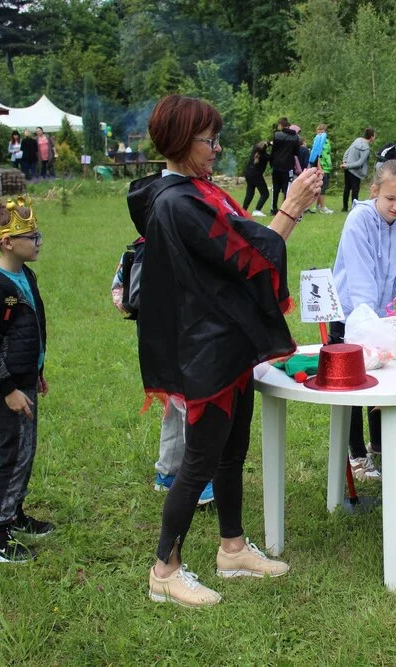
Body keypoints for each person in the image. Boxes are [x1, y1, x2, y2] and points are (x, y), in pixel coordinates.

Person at [129, 95, 321, 607]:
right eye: (207, 140)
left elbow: (240, 246)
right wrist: (292, 208)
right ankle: (164, 570)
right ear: (178, 142)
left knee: (232, 454)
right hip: (207, 347)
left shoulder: (199, 191)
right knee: (199, 462)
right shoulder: (178, 201)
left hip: (231, 340)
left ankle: (232, 549)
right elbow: (251, 255)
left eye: (216, 138)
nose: (216, 148)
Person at [0, 197, 53, 563]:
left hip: (24, 380)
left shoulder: (24, 276)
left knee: (25, 451)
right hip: (9, 387)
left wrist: (36, 372)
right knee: (13, 455)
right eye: (30, 236)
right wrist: (7, 389)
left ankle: (13, 513)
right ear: (6, 242)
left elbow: (26, 329)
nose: (38, 241)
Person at [330, 160, 396, 480]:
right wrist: (368, 326)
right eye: (390, 199)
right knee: (353, 386)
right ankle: (356, 453)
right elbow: (360, 279)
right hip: (350, 316)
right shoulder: (359, 220)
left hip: (386, 318)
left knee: (384, 379)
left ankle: (380, 443)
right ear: (375, 192)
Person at [110, 252, 215, 506]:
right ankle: (198, 481)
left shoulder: (142, 245)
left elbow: (120, 295)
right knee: (191, 405)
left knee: (175, 405)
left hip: (153, 338)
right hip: (183, 337)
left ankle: (167, 473)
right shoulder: (177, 239)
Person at [269, 117, 300, 215]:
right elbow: (296, 152)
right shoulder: (295, 137)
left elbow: (273, 151)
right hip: (288, 165)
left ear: (280, 125)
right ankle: (285, 208)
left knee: (276, 188)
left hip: (277, 164)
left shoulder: (277, 135)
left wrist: (271, 161)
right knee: (286, 188)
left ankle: (274, 208)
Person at [340, 127, 375, 212]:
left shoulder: (357, 140)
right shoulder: (366, 149)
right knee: (355, 190)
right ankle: (354, 208)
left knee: (347, 188)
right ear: (371, 137)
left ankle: (345, 207)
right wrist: (347, 165)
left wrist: (345, 162)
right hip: (356, 171)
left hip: (347, 168)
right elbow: (360, 162)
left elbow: (347, 151)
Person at [307, 123, 334, 214]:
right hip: (322, 167)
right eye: (318, 132)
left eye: (322, 132)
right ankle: (323, 207)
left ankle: (318, 206)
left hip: (327, 167)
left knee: (323, 187)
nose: (320, 134)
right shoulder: (317, 141)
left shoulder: (326, 141)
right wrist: (320, 168)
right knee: (322, 188)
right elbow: (317, 155)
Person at [242, 141, 270, 217]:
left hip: (248, 173)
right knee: (265, 194)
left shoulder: (254, 151)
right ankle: (257, 210)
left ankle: (243, 210)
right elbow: (273, 157)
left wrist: (267, 143)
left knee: (250, 193)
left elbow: (259, 146)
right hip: (256, 175)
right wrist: (271, 144)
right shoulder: (265, 156)